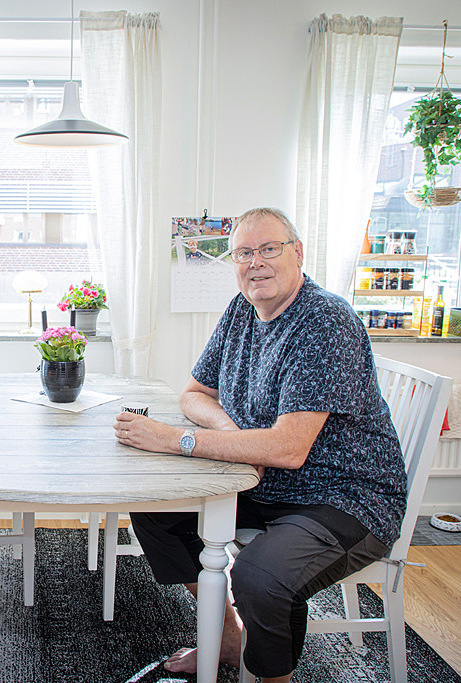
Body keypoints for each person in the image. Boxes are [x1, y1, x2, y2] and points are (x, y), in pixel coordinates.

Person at [113, 208, 405, 682]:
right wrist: (234, 436)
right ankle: (228, 637)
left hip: (343, 498)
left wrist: (178, 441)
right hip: (263, 484)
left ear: (298, 253)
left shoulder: (324, 322)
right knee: (155, 509)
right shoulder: (240, 310)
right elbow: (193, 393)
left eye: (269, 249)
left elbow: (288, 449)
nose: (256, 263)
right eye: (244, 253)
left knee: (260, 578)